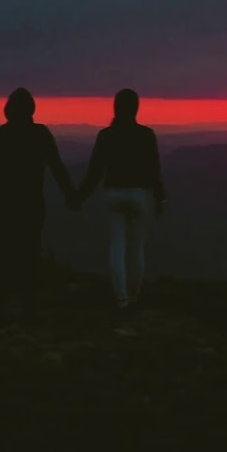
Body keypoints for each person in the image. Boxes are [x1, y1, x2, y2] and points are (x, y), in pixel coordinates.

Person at [0, 88, 75, 325]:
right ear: (31, 109)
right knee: (29, 254)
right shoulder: (40, 134)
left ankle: (1, 307)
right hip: (32, 204)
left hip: (4, 205)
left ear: (8, 110)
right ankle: (28, 307)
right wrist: (70, 194)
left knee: (4, 254)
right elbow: (57, 166)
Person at [76, 88, 166, 316]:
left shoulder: (106, 135)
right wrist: (159, 197)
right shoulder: (147, 135)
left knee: (117, 246)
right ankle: (134, 298)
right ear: (136, 108)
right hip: (138, 195)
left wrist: (79, 197)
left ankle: (121, 299)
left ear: (116, 107)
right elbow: (154, 170)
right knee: (136, 248)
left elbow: (95, 172)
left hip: (113, 194)